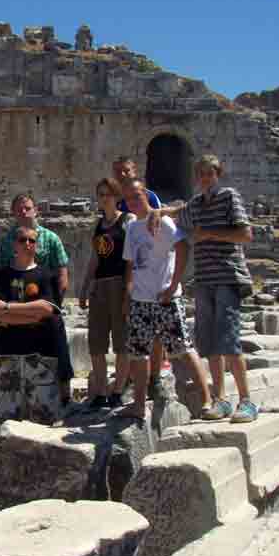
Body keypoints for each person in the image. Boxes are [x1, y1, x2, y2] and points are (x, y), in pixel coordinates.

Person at [147, 155, 257, 423]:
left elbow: (246, 235)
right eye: (201, 174)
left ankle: (247, 401)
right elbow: (180, 211)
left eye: (210, 173)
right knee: (208, 343)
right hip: (204, 279)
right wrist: (160, 212)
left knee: (229, 339)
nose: (206, 178)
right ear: (197, 177)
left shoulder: (229, 197)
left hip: (228, 276)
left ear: (218, 174)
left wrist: (211, 234)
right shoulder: (197, 204)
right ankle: (220, 400)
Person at [118, 179, 212, 420]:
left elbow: (182, 247)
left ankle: (208, 399)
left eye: (136, 196)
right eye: (128, 198)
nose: (132, 201)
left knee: (183, 349)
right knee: (138, 354)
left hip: (166, 298)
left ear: (146, 196)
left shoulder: (163, 221)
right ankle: (139, 404)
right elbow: (130, 263)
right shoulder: (131, 228)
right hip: (140, 299)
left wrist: (173, 285)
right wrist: (128, 294)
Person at [0, 194, 74, 400]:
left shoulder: (51, 238)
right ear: (13, 212)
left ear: (35, 209)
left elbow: (62, 273)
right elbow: (0, 278)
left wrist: (54, 305)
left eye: (27, 207)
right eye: (19, 208)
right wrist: (15, 311)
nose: (24, 212)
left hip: (45, 300)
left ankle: (64, 392)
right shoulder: (4, 242)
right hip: (15, 301)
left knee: (57, 343)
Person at [0, 226, 66, 424]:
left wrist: (7, 308)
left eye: (32, 240)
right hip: (8, 351)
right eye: (23, 240)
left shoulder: (46, 275)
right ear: (15, 244)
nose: (27, 244)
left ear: (37, 245)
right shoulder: (1, 276)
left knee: (43, 417)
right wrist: (31, 316)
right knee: (4, 416)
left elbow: (47, 310)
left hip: (40, 354)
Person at [112, 156, 165, 393]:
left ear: (134, 171)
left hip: (148, 272)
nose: (122, 175)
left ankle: (155, 376)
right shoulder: (116, 201)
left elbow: (161, 221)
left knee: (153, 330)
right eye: (118, 172)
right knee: (132, 328)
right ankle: (132, 375)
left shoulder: (148, 196)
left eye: (126, 170)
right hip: (123, 268)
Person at [79, 179, 133, 410]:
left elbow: (131, 259)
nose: (104, 198)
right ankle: (101, 391)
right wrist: (84, 287)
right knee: (97, 342)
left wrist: (128, 292)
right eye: (100, 194)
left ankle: (118, 390)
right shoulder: (98, 224)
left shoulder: (127, 221)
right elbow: (95, 258)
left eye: (108, 194)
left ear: (117, 196)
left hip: (120, 283)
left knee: (122, 341)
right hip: (100, 286)